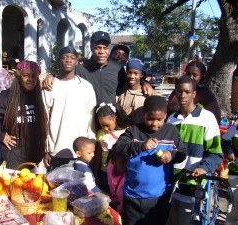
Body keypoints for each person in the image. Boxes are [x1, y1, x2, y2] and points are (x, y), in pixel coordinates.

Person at [111, 95, 187, 225]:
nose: (155, 123)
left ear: (166, 115)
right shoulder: (134, 131)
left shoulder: (171, 131)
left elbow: (182, 153)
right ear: (143, 114)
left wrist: (170, 155)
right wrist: (141, 146)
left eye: (159, 119)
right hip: (133, 196)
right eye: (151, 119)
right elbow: (117, 148)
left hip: (159, 197)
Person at [166, 76, 223, 225]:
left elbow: (216, 153)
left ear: (194, 94)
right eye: (179, 91)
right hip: (171, 184)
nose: (182, 95)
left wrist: (204, 167)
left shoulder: (207, 119)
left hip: (194, 184)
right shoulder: (171, 119)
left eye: (187, 91)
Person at [43, 31, 154, 106]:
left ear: (109, 49)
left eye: (105, 48)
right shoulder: (81, 67)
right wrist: (51, 76)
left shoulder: (118, 69)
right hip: (86, 118)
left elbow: (130, 84)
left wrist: (144, 83)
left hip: (110, 121)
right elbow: (64, 74)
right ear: (91, 47)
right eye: (98, 48)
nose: (101, 52)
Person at [0, 60, 47, 169]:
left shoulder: (40, 96)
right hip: (14, 158)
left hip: (35, 156)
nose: (30, 79)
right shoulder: (7, 97)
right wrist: (0, 135)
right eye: (26, 75)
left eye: (34, 76)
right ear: (18, 76)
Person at [42, 46, 96, 171]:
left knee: (79, 188)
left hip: (80, 152)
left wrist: (91, 145)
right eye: (64, 57)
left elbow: (91, 118)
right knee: (57, 189)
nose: (68, 60)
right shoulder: (50, 87)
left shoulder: (86, 87)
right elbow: (44, 119)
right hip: (56, 151)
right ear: (58, 61)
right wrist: (45, 149)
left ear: (77, 61)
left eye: (72, 58)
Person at [94, 102, 130, 193]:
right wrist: (95, 172)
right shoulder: (100, 134)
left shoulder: (126, 132)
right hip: (104, 172)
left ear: (115, 119)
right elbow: (98, 155)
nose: (105, 128)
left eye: (108, 125)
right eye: (102, 125)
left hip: (119, 172)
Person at [116, 58, 147, 125]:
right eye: (129, 73)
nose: (132, 76)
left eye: (136, 73)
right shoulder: (120, 93)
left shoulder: (147, 93)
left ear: (142, 75)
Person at [107, 148, 126, 214]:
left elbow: (126, 199)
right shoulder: (110, 169)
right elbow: (110, 185)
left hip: (124, 205)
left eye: (128, 162)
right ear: (113, 162)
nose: (126, 165)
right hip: (115, 200)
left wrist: (118, 209)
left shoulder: (128, 175)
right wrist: (113, 200)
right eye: (122, 163)